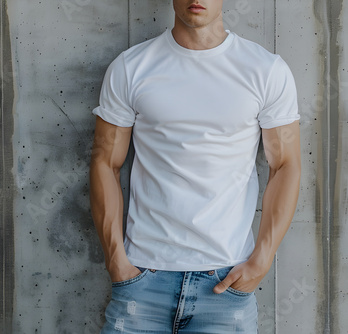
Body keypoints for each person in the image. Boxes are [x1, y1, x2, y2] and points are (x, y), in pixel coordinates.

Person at [89, 0, 301, 333]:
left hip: (226, 282)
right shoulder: (131, 67)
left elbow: (285, 164)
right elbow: (104, 161)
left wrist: (262, 259)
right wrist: (116, 259)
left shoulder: (265, 70)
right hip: (142, 280)